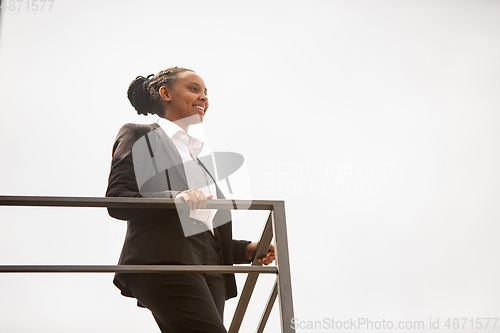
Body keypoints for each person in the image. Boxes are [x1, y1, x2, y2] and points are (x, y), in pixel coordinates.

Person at [106, 66, 275, 332]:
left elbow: (201, 235)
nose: (204, 97)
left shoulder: (201, 163)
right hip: (164, 263)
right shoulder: (140, 135)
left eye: (206, 92)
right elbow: (118, 199)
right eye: (194, 89)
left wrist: (246, 249)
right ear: (165, 93)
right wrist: (177, 197)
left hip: (212, 274)